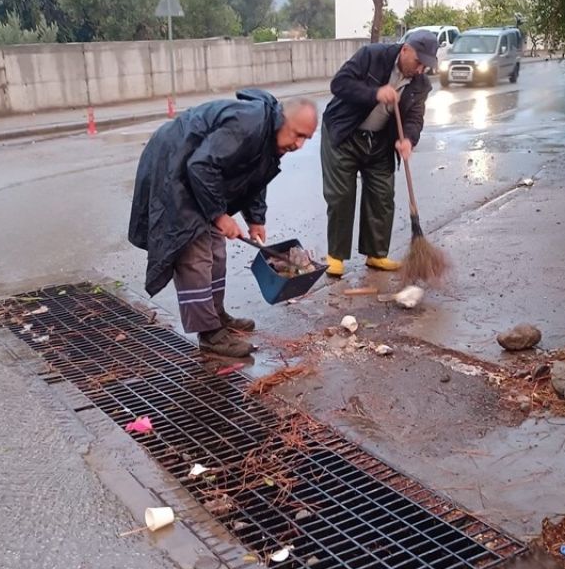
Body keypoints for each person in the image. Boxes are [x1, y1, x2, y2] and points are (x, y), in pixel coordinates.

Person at [129, 89, 319, 358]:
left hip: (197, 173)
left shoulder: (271, 136)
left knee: (216, 249)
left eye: (306, 139)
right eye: (298, 134)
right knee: (194, 252)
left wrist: (255, 218)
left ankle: (216, 315)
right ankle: (209, 334)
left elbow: (254, 174)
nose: (299, 144)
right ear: (282, 120)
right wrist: (219, 214)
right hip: (175, 166)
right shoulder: (248, 124)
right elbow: (201, 165)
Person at [320, 30, 436, 277]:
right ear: (405, 49)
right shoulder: (371, 56)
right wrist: (374, 93)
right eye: (417, 62)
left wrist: (408, 139)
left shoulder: (421, 84)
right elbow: (339, 84)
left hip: (380, 140)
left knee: (382, 196)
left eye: (425, 66)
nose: (419, 70)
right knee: (342, 195)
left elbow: (415, 117)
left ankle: (376, 254)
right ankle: (335, 256)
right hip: (344, 133)